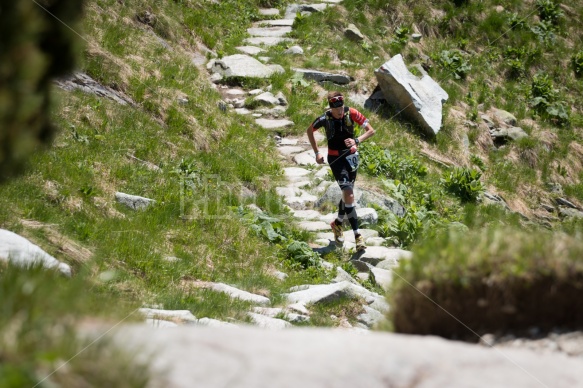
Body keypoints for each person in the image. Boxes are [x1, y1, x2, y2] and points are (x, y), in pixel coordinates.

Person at [306, 91, 376, 251]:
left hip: (351, 158)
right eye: (336, 109)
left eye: (341, 108)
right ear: (330, 108)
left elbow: (371, 130)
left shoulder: (351, 113)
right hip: (336, 159)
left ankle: (337, 223)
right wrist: (317, 152)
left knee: (347, 195)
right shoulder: (325, 118)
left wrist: (357, 140)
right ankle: (358, 236)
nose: (339, 112)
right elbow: (309, 131)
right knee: (349, 193)